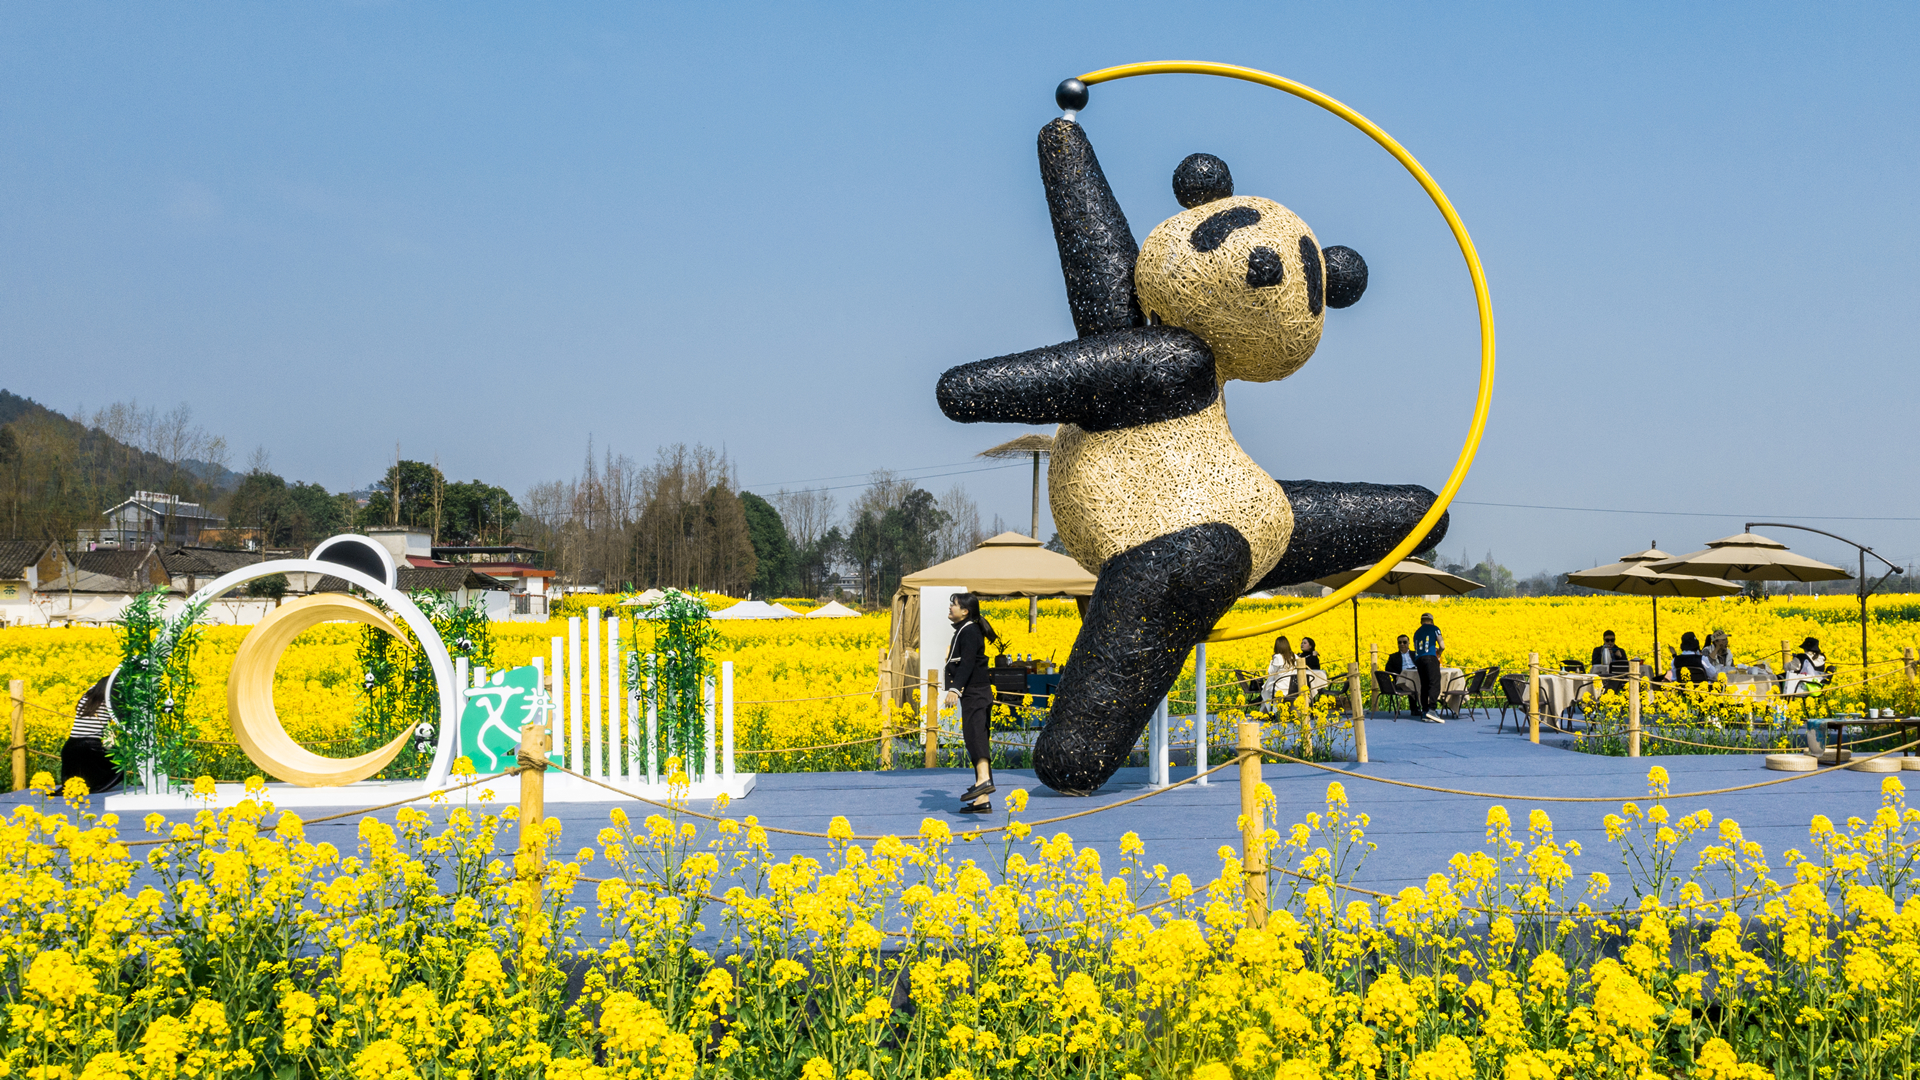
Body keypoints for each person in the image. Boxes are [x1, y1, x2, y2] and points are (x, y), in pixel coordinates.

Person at [941, 593, 998, 813]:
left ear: (965, 611)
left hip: (976, 692)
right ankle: (982, 799)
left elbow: (967, 663)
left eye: (953, 605)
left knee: (975, 736)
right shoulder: (966, 630)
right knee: (975, 736)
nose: (950, 607)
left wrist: (955, 688)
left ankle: (983, 780)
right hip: (975, 693)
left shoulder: (970, 630)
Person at [62, 674, 123, 795]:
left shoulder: (86, 697)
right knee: (119, 766)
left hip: (69, 748)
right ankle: (96, 789)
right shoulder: (110, 702)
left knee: (77, 782)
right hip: (90, 747)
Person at [1411, 613, 1446, 723]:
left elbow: (1416, 647)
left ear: (1421, 621)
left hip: (1419, 660)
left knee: (1424, 685)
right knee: (1434, 683)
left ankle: (1425, 711)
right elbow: (1442, 645)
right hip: (1431, 657)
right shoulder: (1435, 629)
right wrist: (1439, 653)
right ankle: (1432, 709)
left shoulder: (1416, 632)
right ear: (1432, 621)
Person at [1383, 634, 1427, 720]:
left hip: (1416, 676)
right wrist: (1396, 675)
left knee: (1424, 683)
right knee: (1411, 684)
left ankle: (1425, 707)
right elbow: (1388, 668)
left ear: (1409, 643)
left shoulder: (1415, 654)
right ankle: (1415, 709)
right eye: (1399, 642)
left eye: (1404, 642)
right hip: (1401, 680)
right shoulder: (1393, 657)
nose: (1402, 644)